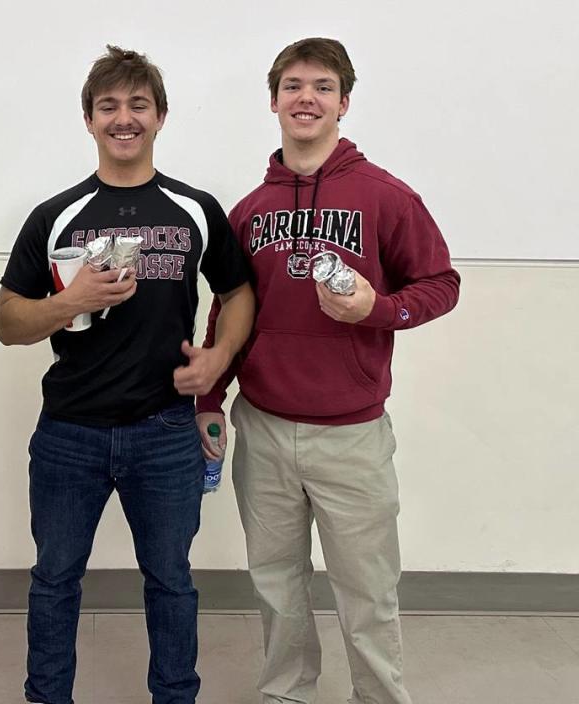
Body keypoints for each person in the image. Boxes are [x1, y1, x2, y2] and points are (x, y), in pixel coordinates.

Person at [196, 38, 460, 704]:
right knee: (276, 588)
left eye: (321, 86)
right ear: (274, 101)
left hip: (351, 435)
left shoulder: (385, 197)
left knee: (367, 593)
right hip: (263, 426)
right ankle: (287, 694)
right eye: (291, 85)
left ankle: (379, 697)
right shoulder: (251, 210)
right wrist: (210, 397)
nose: (305, 97)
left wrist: (382, 308)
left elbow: (441, 283)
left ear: (344, 101)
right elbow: (228, 308)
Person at [0, 45, 254, 704]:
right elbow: (7, 322)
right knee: (54, 578)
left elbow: (240, 291)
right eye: (108, 106)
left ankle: (175, 697)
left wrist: (220, 356)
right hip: (68, 434)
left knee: (170, 578)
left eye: (138, 104)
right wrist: (69, 303)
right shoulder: (56, 214)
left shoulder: (193, 209)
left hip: (164, 433)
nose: (124, 118)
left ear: (160, 116)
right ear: (89, 119)